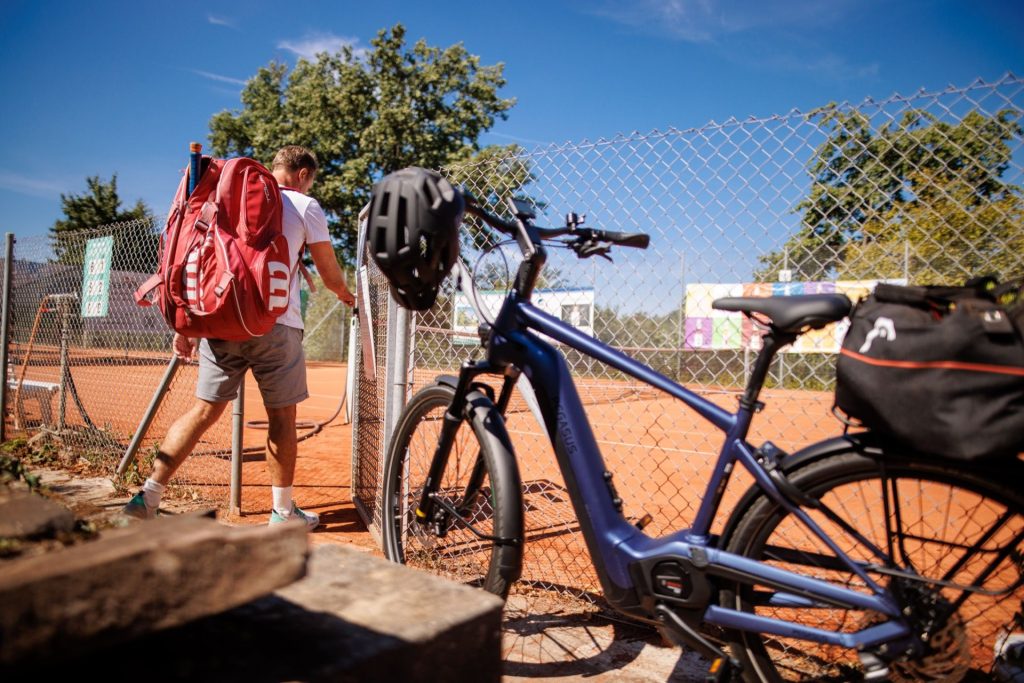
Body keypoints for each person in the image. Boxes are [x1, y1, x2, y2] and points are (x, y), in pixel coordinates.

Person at [123, 146, 355, 529]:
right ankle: (282, 513)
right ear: (302, 174)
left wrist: (187, 326)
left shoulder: (227, 198)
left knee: (202, 411)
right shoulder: (304, 205)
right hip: (276, 326)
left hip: (221, 320)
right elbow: (329, 274)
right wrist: (346, 295)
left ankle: (147, 497)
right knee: (282, 416)